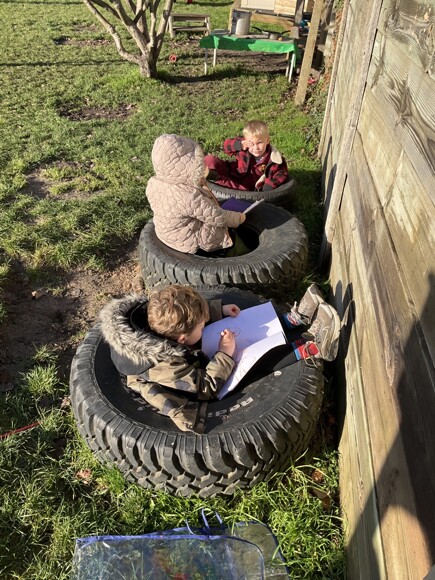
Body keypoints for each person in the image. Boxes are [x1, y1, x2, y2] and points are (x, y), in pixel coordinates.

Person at [99, 284, 340, 433]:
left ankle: (292, 320)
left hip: (185, 356)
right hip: (194, 387)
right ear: (182, 338)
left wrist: (218, 311)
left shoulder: (157, 317)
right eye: (202, 325)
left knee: (240, 326)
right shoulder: (164, 366)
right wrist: (225, 354)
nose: (205, 324)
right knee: (252, 364)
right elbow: (205, 388)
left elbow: (187, 313)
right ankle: (311, 347)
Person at [146, 133, 246, 255]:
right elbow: (215, 216)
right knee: (227, 231)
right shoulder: (188, 196)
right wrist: (238, 218)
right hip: (190, 242)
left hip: (166, 234)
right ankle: (234, 253)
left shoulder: (153, 183)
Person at [204, 120, 289, 191]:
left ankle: (216, 178)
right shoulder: (244, 145)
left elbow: (281, 173)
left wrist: (269, 186)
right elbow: (226, 146)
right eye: (251, 143)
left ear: (267, 141)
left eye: (259, 143)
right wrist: (239, 145)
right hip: (235, 175)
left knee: (239, 191)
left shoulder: (273, 159)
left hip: (247, 189)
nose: (256, 147)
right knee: (209, 160)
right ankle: (213, 177)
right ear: (246, 140)